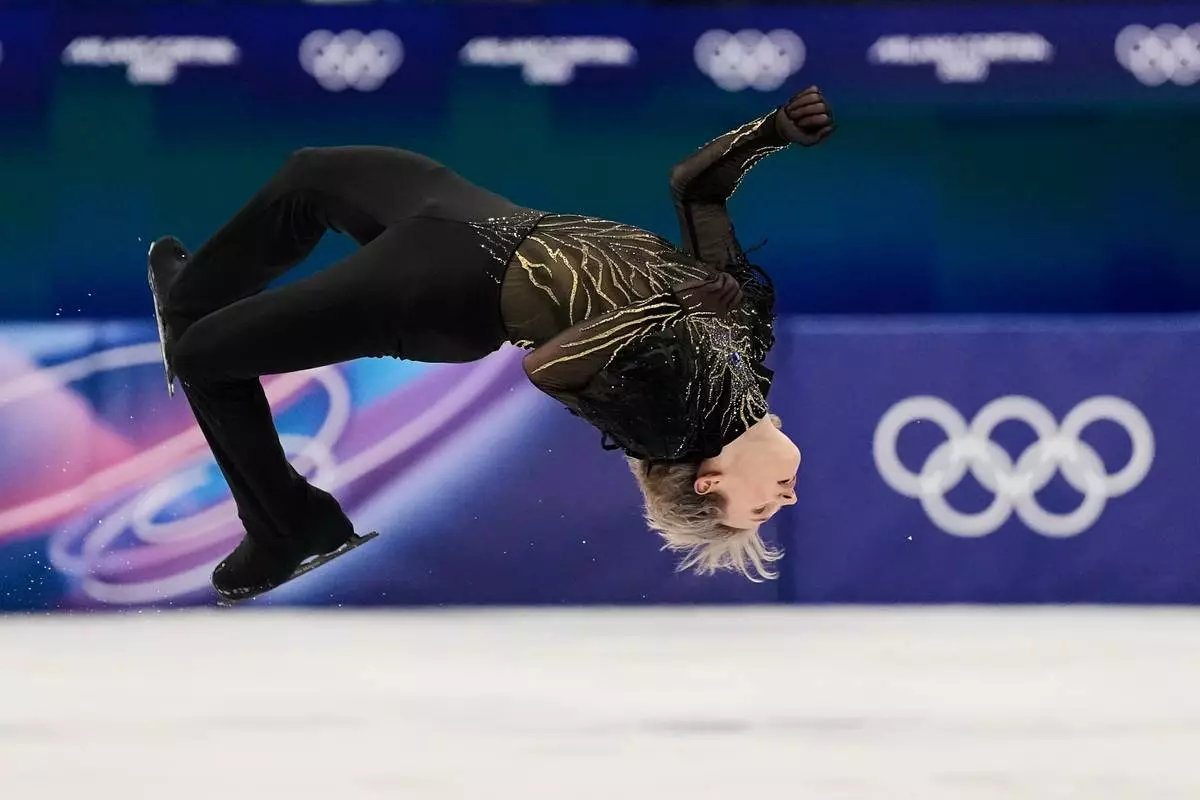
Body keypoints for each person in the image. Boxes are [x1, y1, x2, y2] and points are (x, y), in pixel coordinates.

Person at [148, 85, 836, 602]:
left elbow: (552, 364)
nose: (788, 500)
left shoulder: (672, 427)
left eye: (762, 507)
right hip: (480, 220)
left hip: (443, 293)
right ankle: (191, 301)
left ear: (711, 483)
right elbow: (697, 190)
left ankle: (286, 525)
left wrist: (669, 301)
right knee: (309, 175)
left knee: (201, 356)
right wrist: (770, 132)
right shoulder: (743, 350)